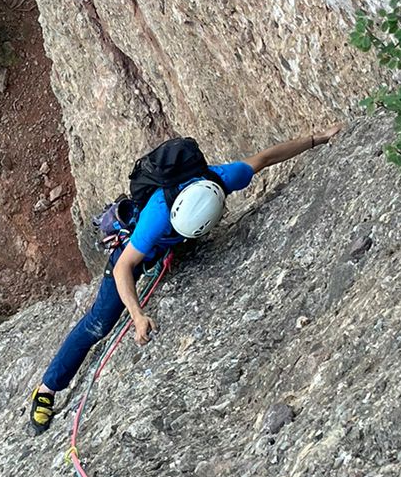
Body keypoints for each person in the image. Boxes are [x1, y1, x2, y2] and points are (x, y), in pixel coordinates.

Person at [28, 129, 338, 431]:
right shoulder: (158, 216)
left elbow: (265, 158)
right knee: (99, 322)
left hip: (170, 241)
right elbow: (124, 268)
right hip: (134, 249)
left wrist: (316, 139)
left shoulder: (219, 180)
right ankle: (47, 389)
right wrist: (137, 316)